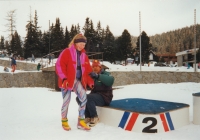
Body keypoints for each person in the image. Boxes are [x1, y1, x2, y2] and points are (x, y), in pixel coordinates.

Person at [56, 34, 94, 131]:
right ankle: (64, 121)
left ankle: (81, 121)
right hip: (67, 80)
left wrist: (90, 82)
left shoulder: (84, 55)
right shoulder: (67, 52)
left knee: (84, 98)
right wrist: (64, 78)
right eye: (81, 44)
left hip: (76, 80)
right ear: (76, 43)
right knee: (66, 100)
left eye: (84, 45)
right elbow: (60, 66)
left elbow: (88, 71)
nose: (82, 46)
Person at [77, 60, 114, 127]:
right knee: (80, 97)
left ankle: (94, 117)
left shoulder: (105, 74)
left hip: (105, 97)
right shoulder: (91, 76)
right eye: (93, 66)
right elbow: (87, 85)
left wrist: (98, 76)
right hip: (96, 96)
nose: (95, 68)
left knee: (89, 98)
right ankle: (87, 117)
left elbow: (110, 81)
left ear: (100, 67)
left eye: (97, 66)